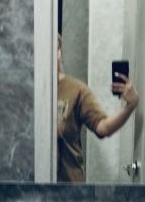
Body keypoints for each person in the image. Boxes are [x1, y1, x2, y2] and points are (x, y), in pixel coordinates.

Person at [56, 35, 139, 183]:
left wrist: (130, 106)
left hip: (69, 186)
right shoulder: (28, 89)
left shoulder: (76, 89)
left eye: (56, 48)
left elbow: (103, 128)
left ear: (60, 52)